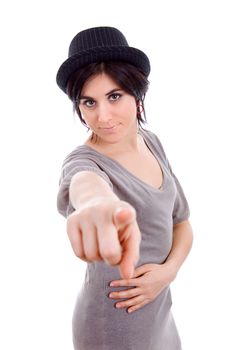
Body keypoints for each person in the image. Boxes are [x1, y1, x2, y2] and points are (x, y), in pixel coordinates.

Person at [56, 26, 193, 350]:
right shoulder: (84, 161)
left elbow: (181, 223)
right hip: (114, 321)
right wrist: (95, 204)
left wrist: (167, 273)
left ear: (137, 93)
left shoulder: (152, 142)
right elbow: (85, 185)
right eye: (89, 102)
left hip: (160, 309)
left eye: (114, 96)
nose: (102, 116)